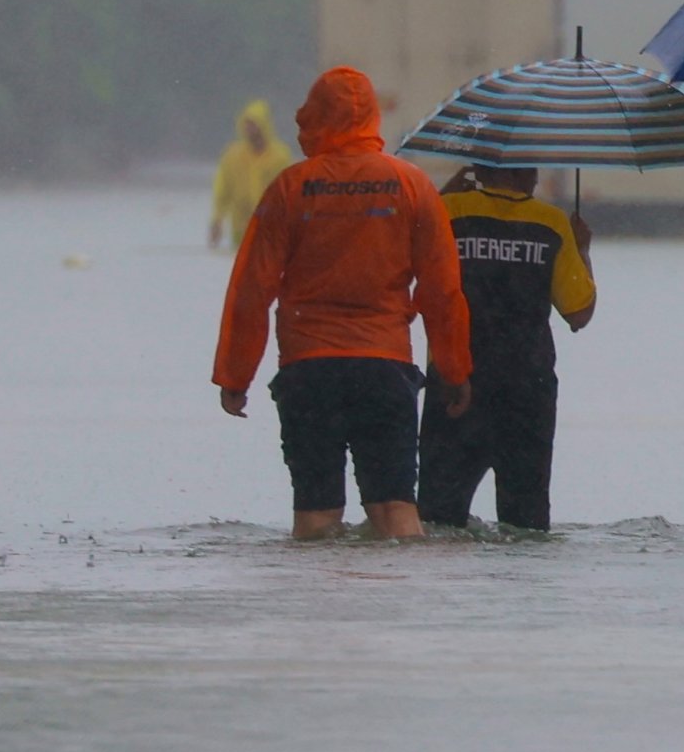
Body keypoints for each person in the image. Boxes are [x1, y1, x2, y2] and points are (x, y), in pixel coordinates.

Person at [214, 68, 474, 539]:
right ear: (372, 117)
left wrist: (235, 375)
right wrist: (454, 371)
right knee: (396, 512)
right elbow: (442, 290)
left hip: (309, 372)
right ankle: (402, 610)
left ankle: (317, 612)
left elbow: (252, 288)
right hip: (384, 368)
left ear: (314, 117)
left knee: (316, 519)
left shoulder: (290, 188)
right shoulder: (411, 186)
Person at [419, 161, 595, 530]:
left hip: (456, 380)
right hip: (527, 387)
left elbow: (412, 248)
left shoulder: (449, 212)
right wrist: (582, 251)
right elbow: (579, 313)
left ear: (480, 171)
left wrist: (447, 191)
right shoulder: (551, 223)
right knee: (525, 521)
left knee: (436, 516)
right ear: (524, 174)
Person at [208, 98, 287, 247]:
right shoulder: (232, 156)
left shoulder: (279, 156)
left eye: (254, 124)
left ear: (264, 125)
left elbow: (290, 192)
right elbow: (222, 191)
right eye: (247, 125)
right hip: (241, 229)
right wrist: (217, 220)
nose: (250, 129)